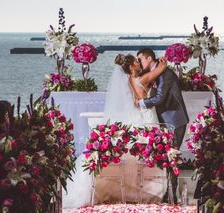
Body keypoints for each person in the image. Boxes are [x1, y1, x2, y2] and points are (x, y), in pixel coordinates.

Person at [63, 53, 167, 207]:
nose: (139, 63)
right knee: (156, 145)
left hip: (141, 111)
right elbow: (161, 69)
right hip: (147, 115)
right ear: (132, 67)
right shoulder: (141, 79)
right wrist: (161, 62)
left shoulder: (131, 80)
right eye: (137, 62)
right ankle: (152, 190)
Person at [136, 48, 189, 204]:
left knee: (172, 157)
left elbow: (159, 98)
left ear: (149, 58)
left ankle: (173, 194)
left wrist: (142, 103)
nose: (139, 63)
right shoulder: (158, 72)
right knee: (168, 158)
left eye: (140, 59)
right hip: (166, 120)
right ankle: (169, 192)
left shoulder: (165, 74)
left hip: (175, 120)